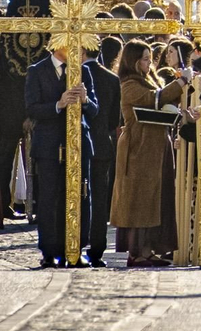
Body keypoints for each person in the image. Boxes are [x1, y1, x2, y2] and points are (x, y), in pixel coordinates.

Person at [110, 40, 190, 267]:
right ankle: (137, 252)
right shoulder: (129, 85)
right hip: (139, 148)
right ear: (133, 61)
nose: (149, 63)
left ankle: (149, 249)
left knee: (157, 199)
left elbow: (166, 97)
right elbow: (154, 99)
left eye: (149, 59)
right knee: (140, 200)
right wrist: (181, 81)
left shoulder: (147, 80)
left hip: (156, 147)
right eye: (145, 59)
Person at [23, 44, 100, 268]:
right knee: (49, 198)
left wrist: (85, 100)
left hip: (79, 143)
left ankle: (76, 248)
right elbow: (32, 108)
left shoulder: (84, 71)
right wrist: (59, 104)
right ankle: (49, 251)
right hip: (49, 145)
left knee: (80, 195)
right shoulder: (37, 71)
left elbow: (95, 110)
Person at [85, 39, 122, 268]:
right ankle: (97, 249)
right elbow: (114, 120)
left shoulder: (73, 74)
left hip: (79, 142)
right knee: (99, 200)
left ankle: (73, 243)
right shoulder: (111, 78)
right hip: (101, 143)